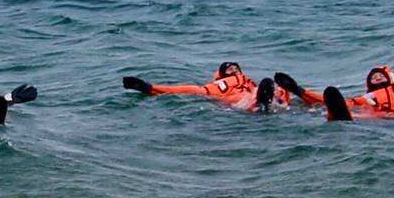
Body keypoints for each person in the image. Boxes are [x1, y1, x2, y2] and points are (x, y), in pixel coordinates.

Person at [122, 62, 290, 113]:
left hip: (255, 92)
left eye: (235, 67)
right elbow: (200, 91)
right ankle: (148, 88)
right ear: (222, 73)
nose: (233, 69)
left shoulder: (250, 81)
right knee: (192, 89)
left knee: (275, 88)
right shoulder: (222, 83)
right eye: (229, 68)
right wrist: (150, 88)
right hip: (232, 97)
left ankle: (265, 102)